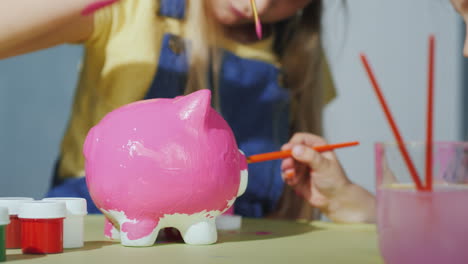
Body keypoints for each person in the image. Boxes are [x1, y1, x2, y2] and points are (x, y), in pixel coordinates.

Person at [0, 0, 374, 222]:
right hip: (100, 236)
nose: (256, 6)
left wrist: (343, 199)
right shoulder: (134, 10)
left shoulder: (296, 49)